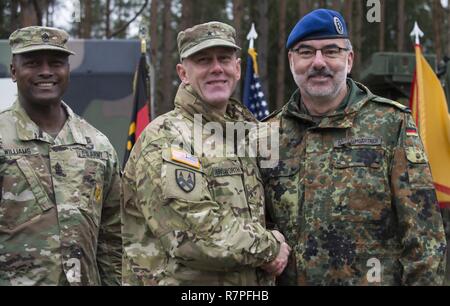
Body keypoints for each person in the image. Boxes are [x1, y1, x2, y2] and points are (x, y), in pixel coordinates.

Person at [261, 9, 447, 285]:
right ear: (291, 60)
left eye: (331, 51)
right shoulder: (266, 135)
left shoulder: (390, 124)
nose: (319, 62)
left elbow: (424, 235)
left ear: (349, 60)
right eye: (306, 52)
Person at [121, 21, 290, 285]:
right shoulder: (166, 137)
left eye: (224, 58)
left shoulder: (249, 135)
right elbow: (192, 236)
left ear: (237, 68)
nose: (216, 69)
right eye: (202, 60)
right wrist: (270, 247)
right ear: (183, 73)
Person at [0, 26, 122, 285]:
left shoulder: (98, 146)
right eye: (32, 63)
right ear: (14, 70)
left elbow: (114, 240)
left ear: (68, 70)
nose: (46, 71)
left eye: (56, 63)